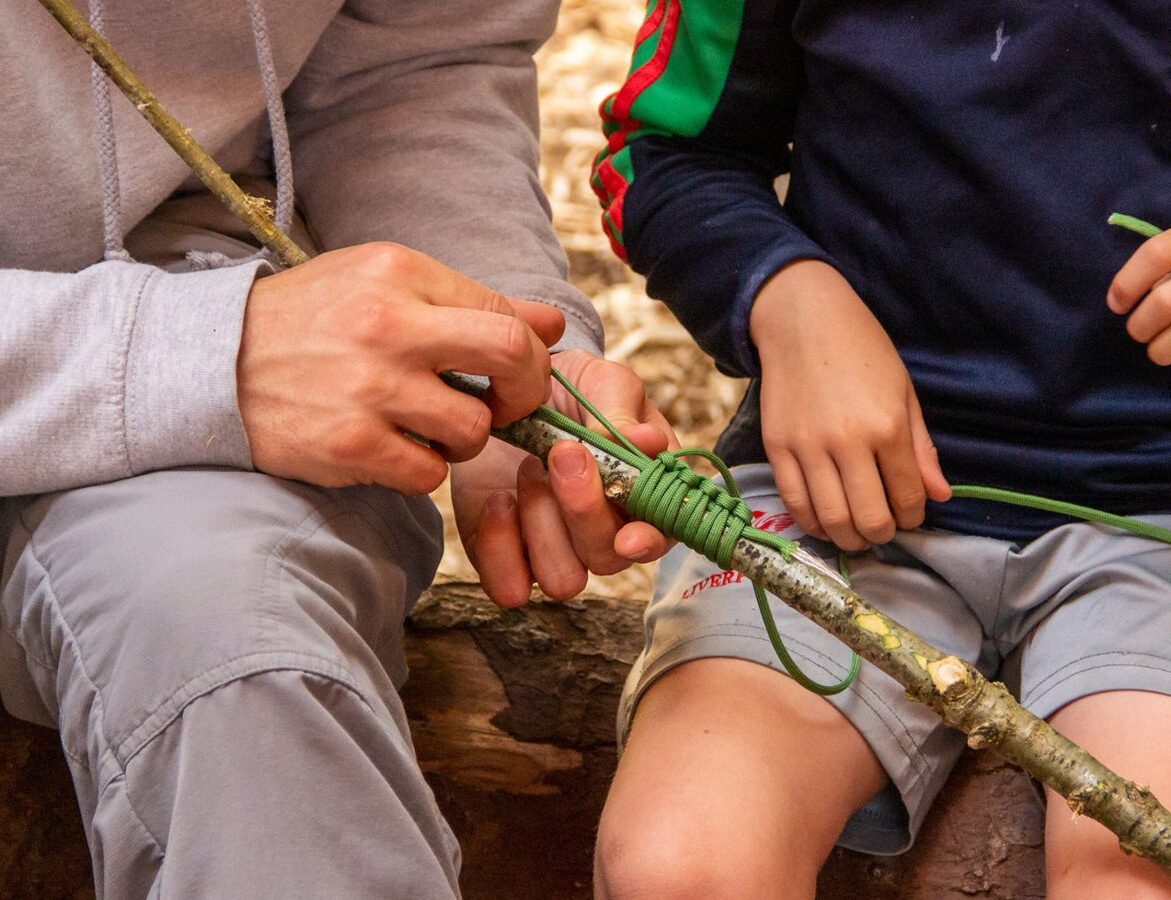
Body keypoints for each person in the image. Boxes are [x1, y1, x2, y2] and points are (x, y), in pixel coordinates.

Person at [590, 2, 1171, 896]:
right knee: (680, 863)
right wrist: (788, 301)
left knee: (1147, 881)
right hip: (834, 496)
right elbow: (660, 152)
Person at [0, 0, 672, 897]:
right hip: (173, 333)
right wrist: (202, 359)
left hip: (161, 267)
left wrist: (486, 343)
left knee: (235, 641)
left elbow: (405, 62)